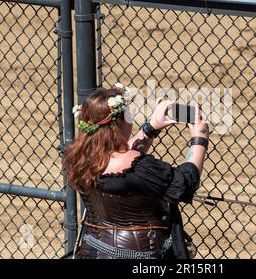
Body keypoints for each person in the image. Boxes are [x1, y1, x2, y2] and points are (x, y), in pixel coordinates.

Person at [63, 84, 210, 259]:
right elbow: (183, 184)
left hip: (92, 251)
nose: (132, 119)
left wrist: (151, 128)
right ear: (118, 122)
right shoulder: (139, 167)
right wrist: (199, 139)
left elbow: (120, 158)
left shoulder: (79, 159)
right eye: (128, 115)